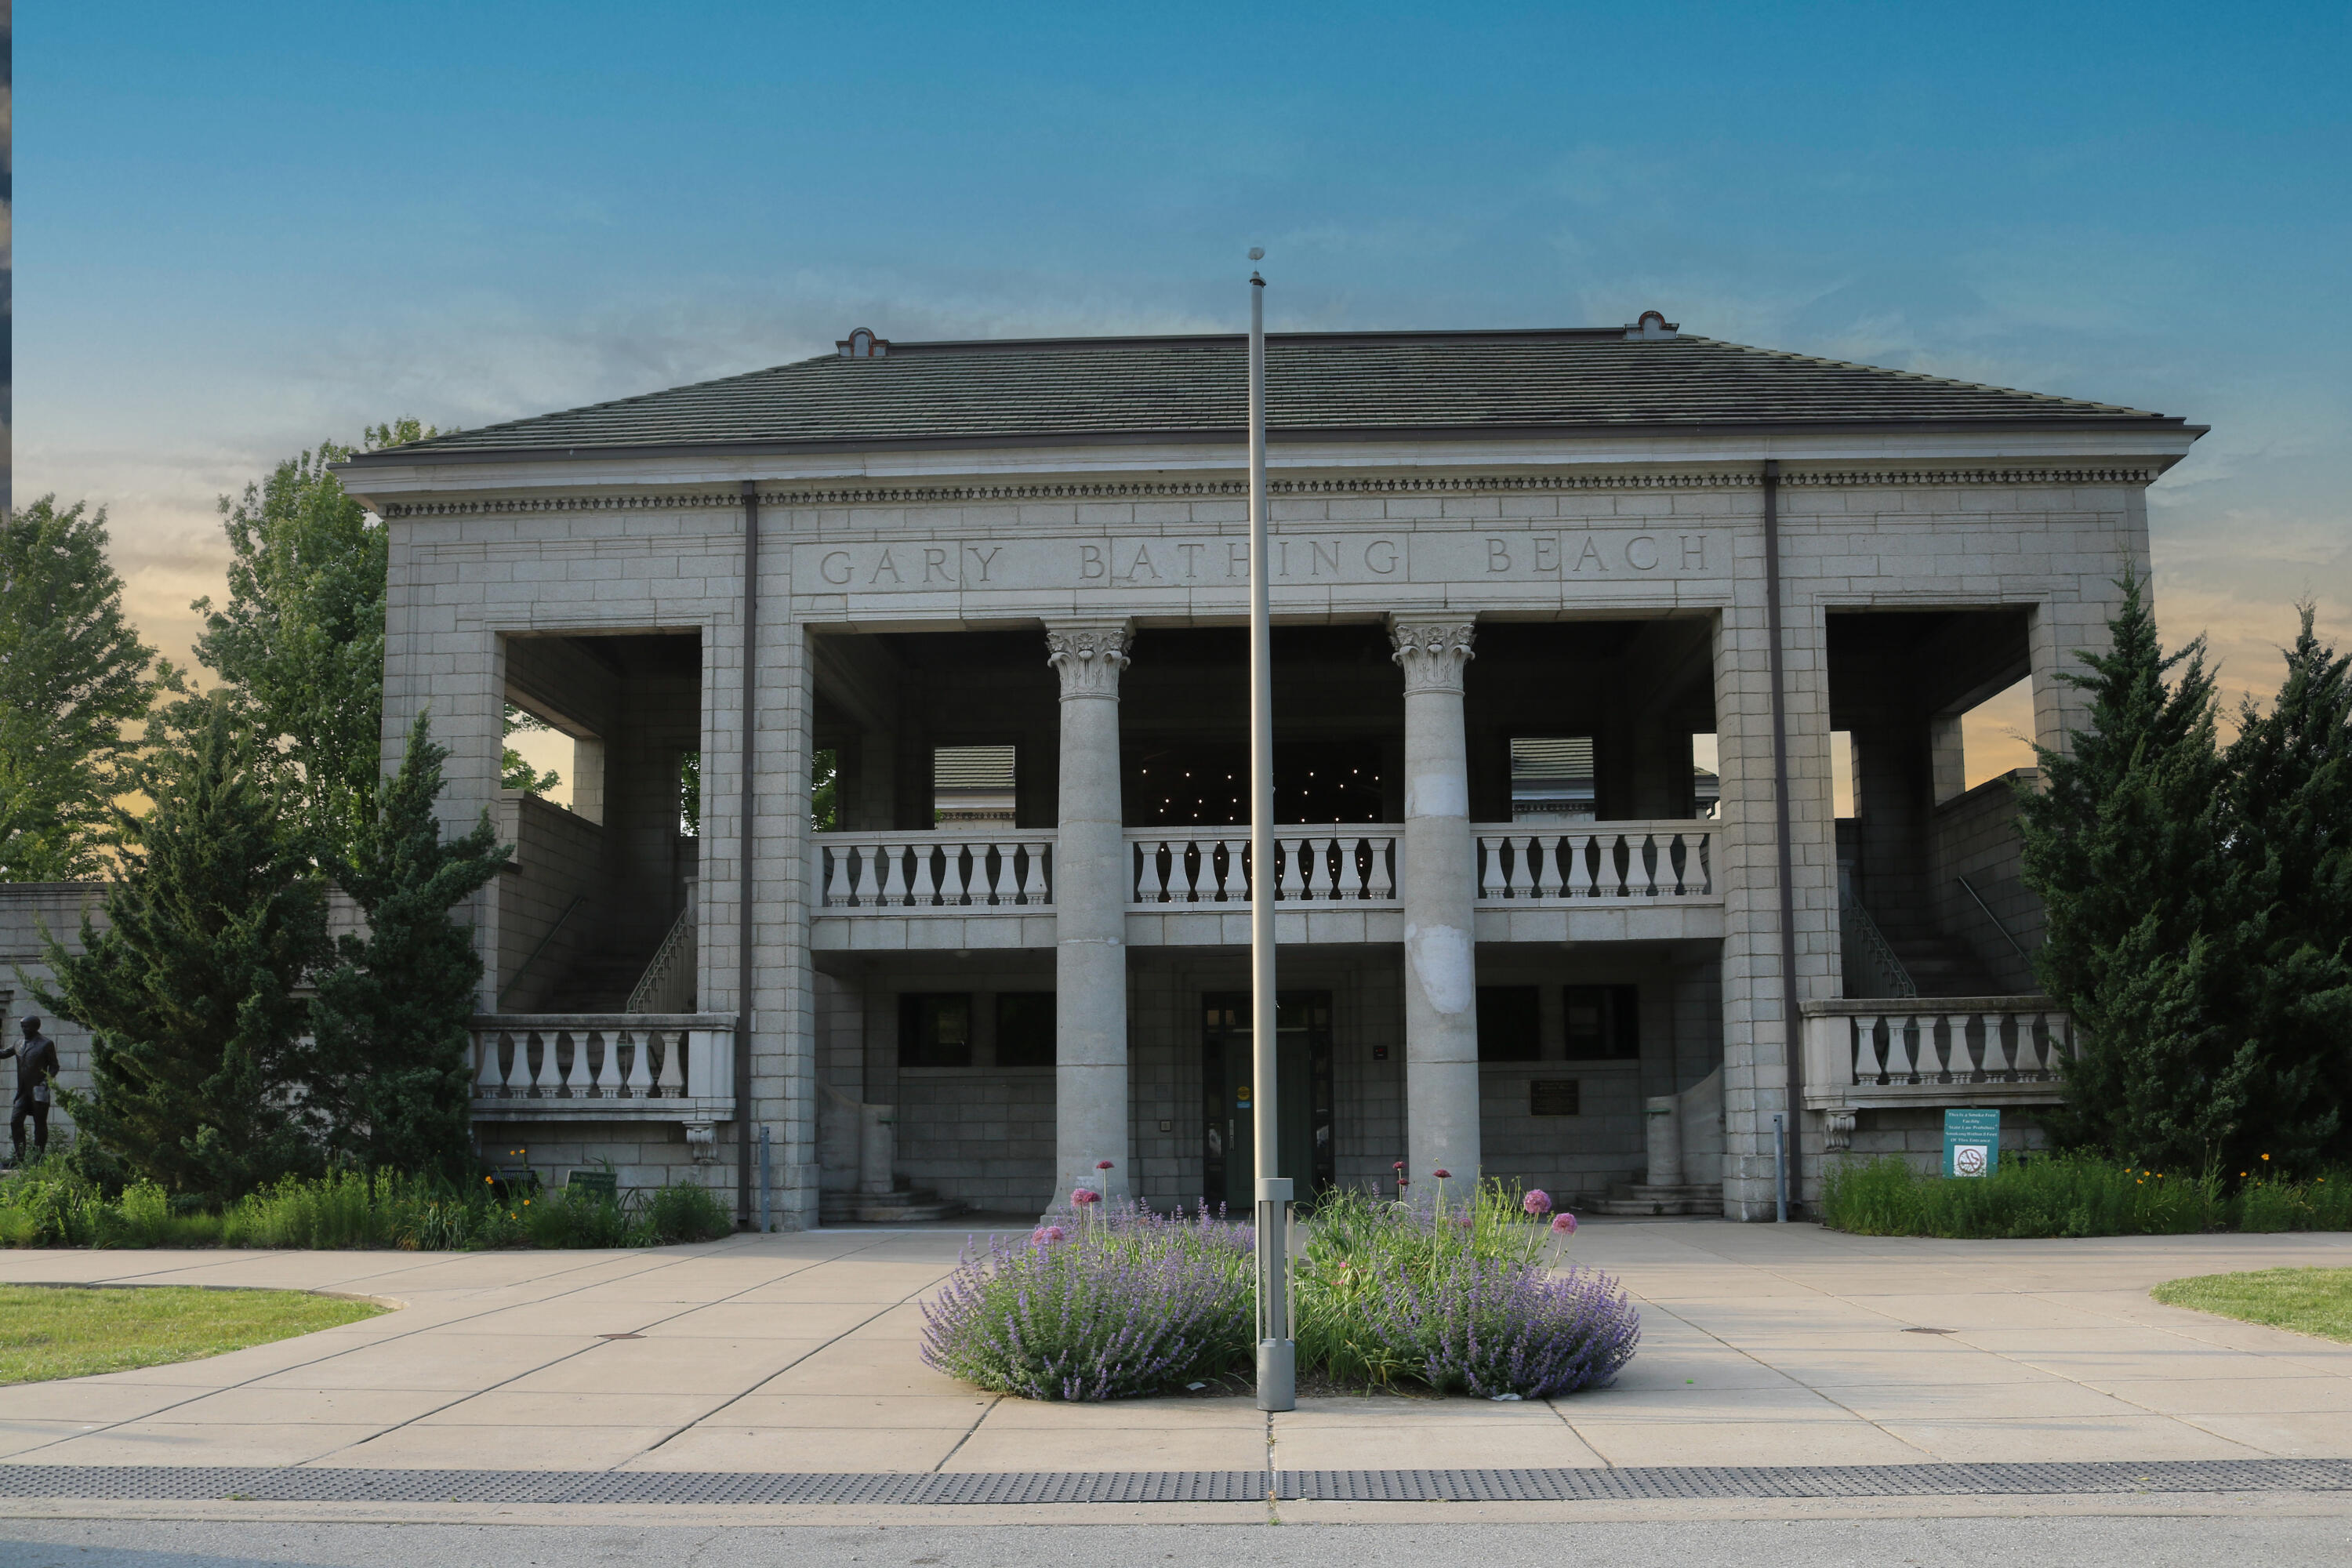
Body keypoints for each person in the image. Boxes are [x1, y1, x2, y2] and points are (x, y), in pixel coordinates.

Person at [3, 1015, 60, 1167]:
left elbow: (55, 1066)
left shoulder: (46, 1044)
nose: (24, 1029)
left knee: (40, 1124)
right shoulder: (18, 1043)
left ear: (36, 1027)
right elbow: (3, 1054)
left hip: (39, 1090)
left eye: (27, 1026)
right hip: (23, 1091)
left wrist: (46, 1082)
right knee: (15, 1121)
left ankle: (38, 1158)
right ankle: (19, 1158)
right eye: (22, 1026)